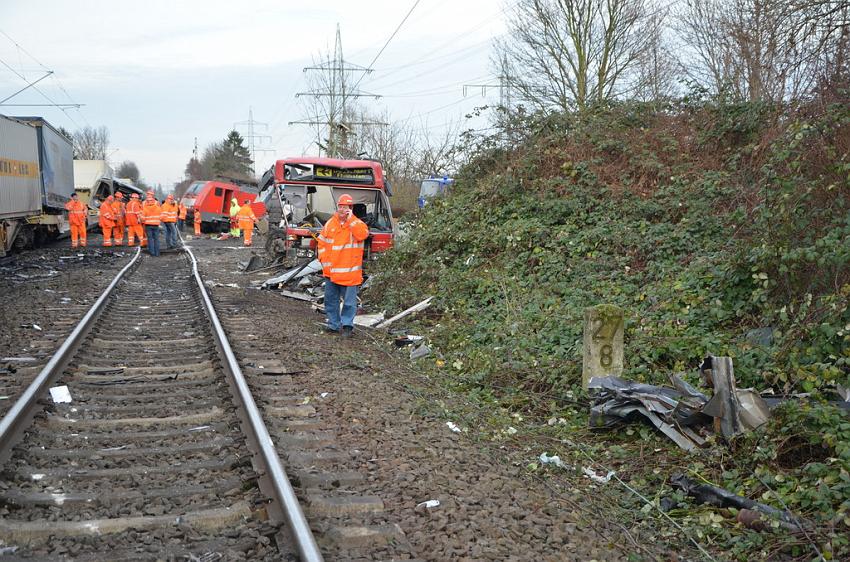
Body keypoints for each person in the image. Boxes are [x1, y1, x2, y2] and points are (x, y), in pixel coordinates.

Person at [318, 194, 369, 337]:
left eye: (345, 207)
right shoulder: (330, 223)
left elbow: (362, 234)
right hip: (331, 272)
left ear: (351, 208)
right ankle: (333, 325)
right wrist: (323, 259)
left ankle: (347, 327)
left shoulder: (356, 224)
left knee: (349, 303)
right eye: (340, 206)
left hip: (349, 273)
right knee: (330, 300)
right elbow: (322, 242)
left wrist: (351, 219)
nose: (342, 210)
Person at [141, 191, 162, 256]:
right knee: (156, 239)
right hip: (156, 225)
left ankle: (152, 253)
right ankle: (157, 253)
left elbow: (142, 218)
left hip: (148, 225)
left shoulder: (145, 207)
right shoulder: (158, 207)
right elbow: (161, 216)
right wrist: (158, 222)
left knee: (150, 239)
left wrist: (141, 218)